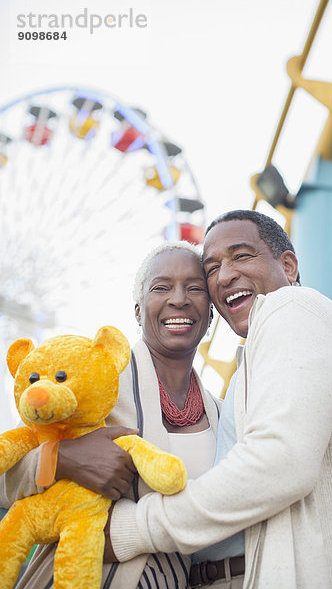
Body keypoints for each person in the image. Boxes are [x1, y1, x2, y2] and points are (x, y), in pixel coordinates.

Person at [103, 210, 332, 589]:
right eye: (213, 266)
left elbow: (279, 461)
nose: (224, 275)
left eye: (241, 256)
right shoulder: (247, 373)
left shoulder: (291, 308)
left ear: (288, 265)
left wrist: (133, 528)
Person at [0, 241, 220, 589]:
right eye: (161, 287)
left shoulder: (222, 414)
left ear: (211, 312)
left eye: (195, 288)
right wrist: (60, 460)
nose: (179, 299)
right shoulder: (90, 385)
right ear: (137, 311)